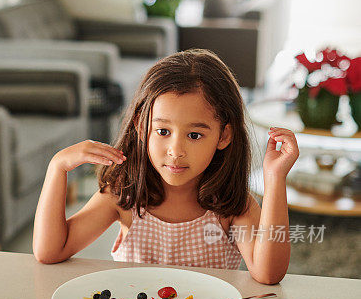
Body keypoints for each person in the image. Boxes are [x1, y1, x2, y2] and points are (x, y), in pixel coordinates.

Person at [33, 49, 299, 284]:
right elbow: (50, 251)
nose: (176, 150)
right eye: (162, 131)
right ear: (141, 125)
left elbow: (268, 274)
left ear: (223, 137)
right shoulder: (124, 195)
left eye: (194, 135)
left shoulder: (232, 205)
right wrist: (57, 168)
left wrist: (274, 178)